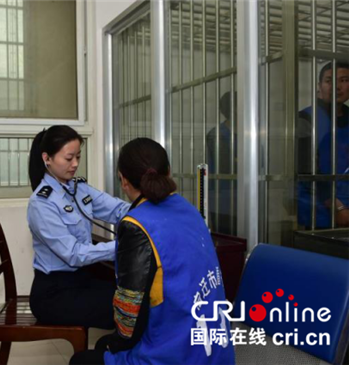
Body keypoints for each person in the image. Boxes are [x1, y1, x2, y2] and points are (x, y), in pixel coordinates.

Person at [71, 138, 235, 365]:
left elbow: (129, 321)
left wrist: (115, 343)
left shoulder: (135, 226)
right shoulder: (188, 209)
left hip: (176, 355)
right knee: (104, 346)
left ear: (123, 180)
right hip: (217, 353)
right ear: (168, 172)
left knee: (82, 360)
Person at [27, 125, 130, 329]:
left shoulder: (78, 189)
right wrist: (122, 247)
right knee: (127, 308)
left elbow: (117, 209)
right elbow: (73, 254)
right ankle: (114, 355)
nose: (75, 164)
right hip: (54, 293)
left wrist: (147, 212)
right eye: (68, 158)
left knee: (133, 296)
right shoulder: (41, 203)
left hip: (81, 280)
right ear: (47, 158)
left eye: (78, 157)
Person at [297, 62, 349, 229]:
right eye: (329, 80)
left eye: (344, 80)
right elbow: (305, 167)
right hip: (318, 208)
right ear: (319, 86)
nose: (337, 87)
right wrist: (337, 206)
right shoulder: (305, 118)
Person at [206, 91, 237, 235]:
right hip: (222, 201)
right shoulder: (216, 136)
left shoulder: (251, 135)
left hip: (243, 198)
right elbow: (223, 167)